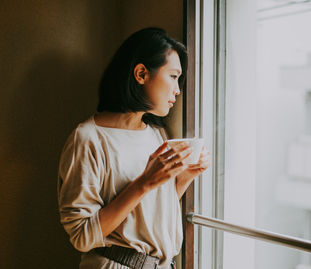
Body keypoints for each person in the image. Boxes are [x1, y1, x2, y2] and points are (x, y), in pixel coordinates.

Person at [57, 27, 211, 269]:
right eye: (173, 76)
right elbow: (82, 236)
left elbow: (146, 214)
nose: (178, 90)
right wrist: (144, 182)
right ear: (141, 74)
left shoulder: (156, 134)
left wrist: (182, 179)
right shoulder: (88, 139)